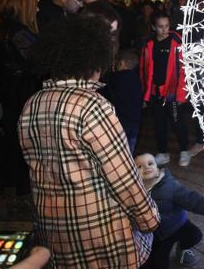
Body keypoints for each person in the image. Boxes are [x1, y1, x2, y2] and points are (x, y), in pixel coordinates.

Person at [19, 15, 160, 268]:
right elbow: (123, 177)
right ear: (95, 59)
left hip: (55, 230)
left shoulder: (33, 103)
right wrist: (149, 218)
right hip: (98, 231)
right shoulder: (92, 105)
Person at [0, 0, 41, 201]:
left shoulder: (2, 29)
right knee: (22, 153)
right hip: (21, 99)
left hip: (11, 97)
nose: (37, 9)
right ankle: (22, 197)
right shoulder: (18, 32)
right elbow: (39, 64)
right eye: (34, 5)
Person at [135, 152, 204, 269]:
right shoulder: (135, 192)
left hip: (178, 224)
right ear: (134, 174)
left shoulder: (169, 186)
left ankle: (182, 248)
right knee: (158, 263)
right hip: (157, 235)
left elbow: (189, 198)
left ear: (157, 170)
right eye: (140, 166)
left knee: (195, 235)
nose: (146, 167)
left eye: (150, 163)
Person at [140, 10, 192, 167]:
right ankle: (163, 152)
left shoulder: (177, 42)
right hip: (155, 91)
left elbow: (185, 69)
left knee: (178, 123)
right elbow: (144, 69)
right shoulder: (148, 44)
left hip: (173, 92)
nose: (164, 30)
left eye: (167, 26)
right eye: (160, 26)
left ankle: (184, 150)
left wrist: (182, 93)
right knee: (159, 124)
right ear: (153, 27)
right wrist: (145, 94)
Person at [100, 48, 143, 153]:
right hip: (135, 121)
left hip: (120, 122)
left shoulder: (115, 78)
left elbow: (104, 93)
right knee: (130, 149)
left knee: (117, 151)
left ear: (122, 63)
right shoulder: (137, 79)